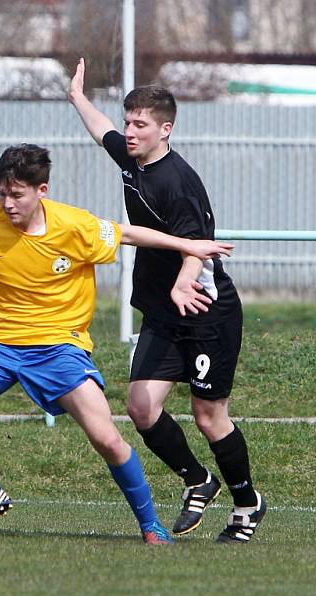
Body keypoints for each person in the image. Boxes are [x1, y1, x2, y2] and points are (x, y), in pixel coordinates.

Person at [0, 144, 235, 545]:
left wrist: (188, 245)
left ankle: (150, 526)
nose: (8, 203)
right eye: (2, 193)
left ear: (41, 190)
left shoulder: (74, 226)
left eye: (17, 195)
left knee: (107, 439)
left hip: (58, 349)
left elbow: (128, 232)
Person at [67, 57, 265, 543]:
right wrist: (77, 98)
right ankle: (198, 480)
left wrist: (183, 281)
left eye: (140, 125)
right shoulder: (134, 159)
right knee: (140, 407)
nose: (130, 132)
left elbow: (198, 243)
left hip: (204, 311)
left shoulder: (178, 182)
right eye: (130, 122)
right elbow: (103, 132)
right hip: (164, 310)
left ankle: (247, 504)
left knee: (208, 415)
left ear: (165, 129)